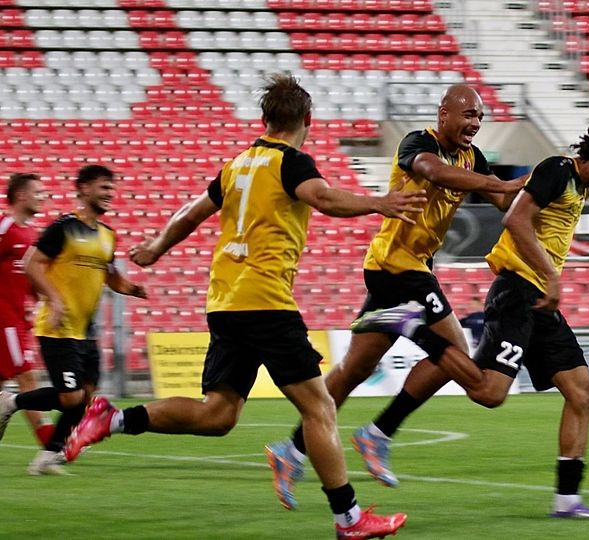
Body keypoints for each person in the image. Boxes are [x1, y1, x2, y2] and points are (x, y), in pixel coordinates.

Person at [61, 74, 420, 538]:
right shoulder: (291, 162)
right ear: (306, 120)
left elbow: (190, 213)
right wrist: (381, 203)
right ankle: (348, 518)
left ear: (264, 119)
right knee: (320, 408)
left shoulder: (237, 166)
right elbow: (323, 197)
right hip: (265, 300)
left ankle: (113, 418)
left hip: (226, 301)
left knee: (219, 414)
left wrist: (156, 248)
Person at [350, 114, 589, 518]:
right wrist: (550, 275)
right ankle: (410, 325)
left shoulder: (579, 180)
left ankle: (567, 500)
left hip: (540, 300)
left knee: (582, 393)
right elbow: (515, 218)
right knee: (488, 392)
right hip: (518, 293)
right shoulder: (558, 170)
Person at [263, 83, 524, 504]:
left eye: (479, 117)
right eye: (468, 114)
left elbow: (503, 201)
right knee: (457, 354)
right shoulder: (418, 142)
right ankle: (379, 432)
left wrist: (546, 194)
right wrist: (502, 185)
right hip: (397, 267)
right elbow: (434, 172)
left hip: (406, 269)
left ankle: (290, 451)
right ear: (444, 113)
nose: (475, 123)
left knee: (353, 371)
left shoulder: (471, 158)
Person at [0, 165, 147, 476]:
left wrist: (132, 288)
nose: (109, 193)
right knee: (71, 396)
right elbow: (31, 264)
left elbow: (111, 278)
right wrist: (53, 299)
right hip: (57, 327)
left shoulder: (108, 235)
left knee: (85, 395)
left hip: (86, 330)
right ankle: (11, 402)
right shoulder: (63, 227)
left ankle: (48, 457)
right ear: (82, 190)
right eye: (103, 187)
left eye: (111, 188)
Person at [0, 173, 56, 454]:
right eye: (39, 191)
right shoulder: (5, 227)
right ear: (21, 195)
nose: (43, 196)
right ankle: (52, 446)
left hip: (20, 320)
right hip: (5, 321)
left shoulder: (33, 235)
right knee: (27, 378)